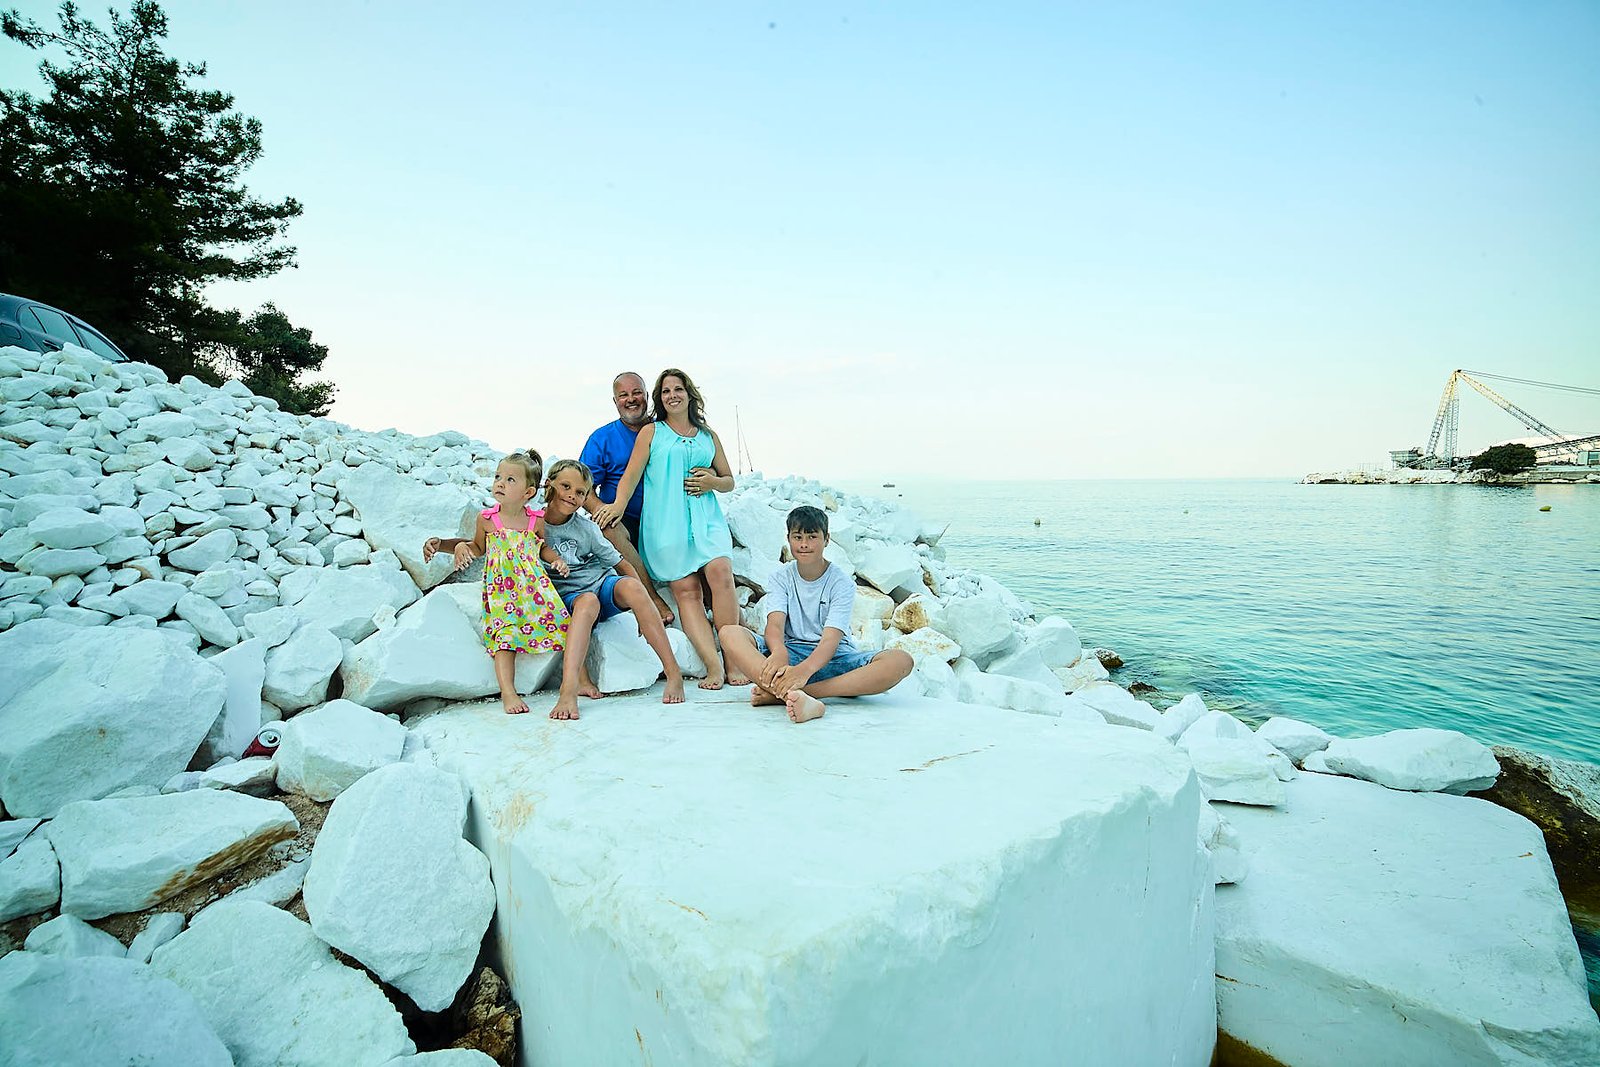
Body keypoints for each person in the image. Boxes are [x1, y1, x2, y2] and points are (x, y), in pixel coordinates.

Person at [592, 368, 745, 690]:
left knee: (720, 574)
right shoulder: (652, 432)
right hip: (666, 523)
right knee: (687, 592)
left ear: (690, 394)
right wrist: (617, 507)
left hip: (706, 519)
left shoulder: (708, 435)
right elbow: (630, 476)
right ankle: (713, 666)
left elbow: (729, 480)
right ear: (659, 399)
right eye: (665, 391)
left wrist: (712, 482)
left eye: (678, 389)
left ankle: (735, 658)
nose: (672, 395)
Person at [720, 506, 913, 723]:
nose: (804, 544)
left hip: (834, 658)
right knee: (730, 633)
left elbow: (831, 638)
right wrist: (779, 652)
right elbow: (774, 625)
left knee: (901, 660)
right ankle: (790, 693)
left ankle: (800, 693)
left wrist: (804, 672)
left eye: (812, 537)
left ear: (826, 539)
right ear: (789, 539)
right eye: (798, 537)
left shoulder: (841, 582)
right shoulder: (781, 577)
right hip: (790, 654)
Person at [422, 450, 570, 716]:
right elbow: (477, 547)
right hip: (502, 590)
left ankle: (577, 679)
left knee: (563, 623)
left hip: (535, 587)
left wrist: (556, 559)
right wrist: (448, 546)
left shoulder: (535, 520)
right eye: (498, 476)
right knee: (505, 638)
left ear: (528, 492)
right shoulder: (488, 519)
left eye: (511, 480)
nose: (500, 483)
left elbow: (542, 548)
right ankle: (508, 692)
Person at [540, 459, 686, 719]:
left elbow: (622, 564)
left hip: (600, 586)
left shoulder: (587, 528)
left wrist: (645, 607)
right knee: (586, 602)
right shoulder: (534, 524)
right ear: (549, 484)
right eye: (565, 486)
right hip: (571, 599)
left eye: (580, 492)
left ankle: (673, 672)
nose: (572, 496)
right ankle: (568, 690)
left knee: (631, 586)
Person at [579, 372, 675, 624]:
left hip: (665, 516)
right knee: (608, 526)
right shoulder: (602, 438)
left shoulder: (664, 431)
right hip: (626, 518)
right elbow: (583, 487)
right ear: (615, 401)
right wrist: (602, 509)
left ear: (646, 396)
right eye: (624, 395)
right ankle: (651, 596)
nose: (631, 399)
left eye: (636, 393)